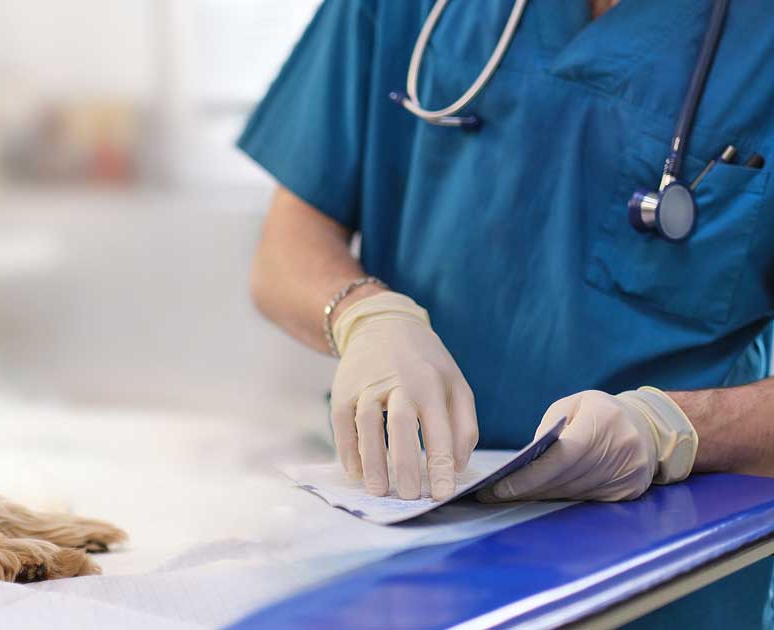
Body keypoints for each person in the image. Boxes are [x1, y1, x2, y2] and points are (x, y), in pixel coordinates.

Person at [241, 0, 773, 627]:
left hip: (668, 594)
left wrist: (671, 431)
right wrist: (367, 317)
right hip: (397, 567)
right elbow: (284, 251)